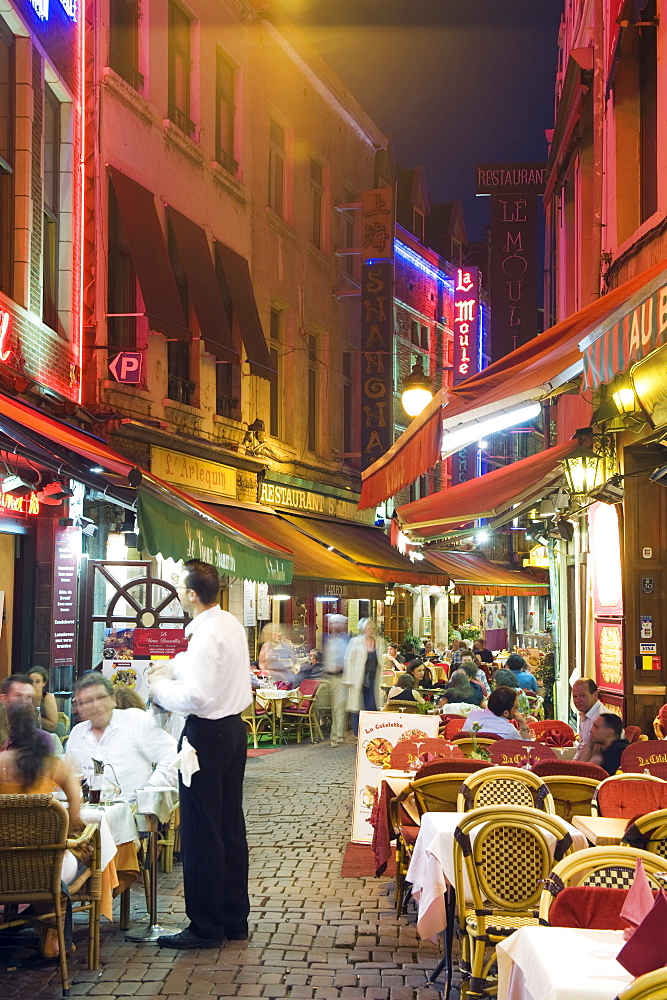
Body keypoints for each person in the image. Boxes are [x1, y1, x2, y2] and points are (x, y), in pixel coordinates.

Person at [148, 559, 252, 949]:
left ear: (191, 594)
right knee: (228, 827)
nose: (176, 589)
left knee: (201, 830)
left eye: (179, 584)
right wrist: (169, 669)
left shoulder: (207, 635)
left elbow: (196, 695)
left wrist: (158, 689)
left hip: (206, 735)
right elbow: (198, 670)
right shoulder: (227, 624)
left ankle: (206, 925)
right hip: (232, 732)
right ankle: (232, 918)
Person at [0, 703, 88, 956]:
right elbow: (75, 808)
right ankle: (53, 934)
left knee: (40, 865)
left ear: (8, 730)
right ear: (38, 726)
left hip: (3, 865)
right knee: (61, 860)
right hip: (48, 866)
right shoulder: (55, 765)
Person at [67, 672, 177, 799]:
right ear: (80, 707)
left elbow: (172, 753)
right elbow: (71, 775)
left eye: (101, 697)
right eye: (88, 701)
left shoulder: (135, 720)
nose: (96, 705)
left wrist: (150, 790)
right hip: (88, 812)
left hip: (132, 811)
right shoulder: (77, 733)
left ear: (113, 699)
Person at [344, 618, 387, 732]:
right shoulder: (355, 642)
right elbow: (348, 660)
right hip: (358, 678)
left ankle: (371, 731)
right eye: (368, 628)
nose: (370, 630)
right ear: (362, 630)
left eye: (372, 628)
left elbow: (381, 659)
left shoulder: (379, 641)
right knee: (358, 707)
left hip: (373, 679)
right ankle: (358, 733)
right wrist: (349, 679)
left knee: (372, 706)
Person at [462, 686, 532, 740]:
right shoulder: (509, 731)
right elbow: (526, 748)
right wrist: (522, 722)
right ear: (506, 713)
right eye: (516, 708)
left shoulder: (474, 713)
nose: (517, 710)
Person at [323, 614, 350, 747]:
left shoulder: (345, 641)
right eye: (331, 624)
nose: (333, 627)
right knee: (335, 707)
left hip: (340, 677)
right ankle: (340, 733)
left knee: (338, 707)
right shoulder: (328, 640)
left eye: (336, 624)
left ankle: (336, 735)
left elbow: (348, 660)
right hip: (329, 678)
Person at [571, 678, 603, 759]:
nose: (577, 700)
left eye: (582, 695)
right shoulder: (584, 714)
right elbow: (581, 748)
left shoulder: (602, 718)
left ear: (595, 695)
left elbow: (597, 757)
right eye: (575, 696)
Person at [28, 666, 63, 735]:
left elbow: (52, 726)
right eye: (30, 682)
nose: (33, 685)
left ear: (43, 683)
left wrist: (33, 715)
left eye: (37, 682)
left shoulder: (48, 697)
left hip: (48, 734)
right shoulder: (24, 697)